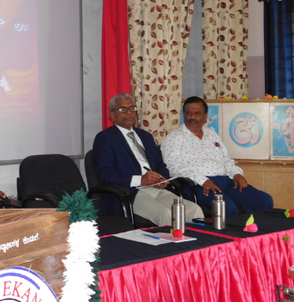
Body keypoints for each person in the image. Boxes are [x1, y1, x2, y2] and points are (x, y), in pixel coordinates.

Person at [92, 93, 203, 226]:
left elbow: (160, 164)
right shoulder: (105, 138)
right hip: (130, 193)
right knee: (166, 214)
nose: (129, 112)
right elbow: (105, 173)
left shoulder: (145, 136)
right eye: (123, 109)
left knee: (193, 210)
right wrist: (140, 180)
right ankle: (172, 241)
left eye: (132, 108)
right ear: (112, 115)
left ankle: (197, 240)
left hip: (157, 189)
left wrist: (162, 179)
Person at [161, 96, 273, 216]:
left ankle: (252, 227)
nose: (192, 117)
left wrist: (237, 174)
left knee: (263, 201)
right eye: (188, 113)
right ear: (184, 114)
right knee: (226, 207)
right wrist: (203, 181)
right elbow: (173, 167)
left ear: (205, 116)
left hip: (225, 181)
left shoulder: (212, 134)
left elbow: (226, 159)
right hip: (197, 184)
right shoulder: (174, 138)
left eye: (197, 113)